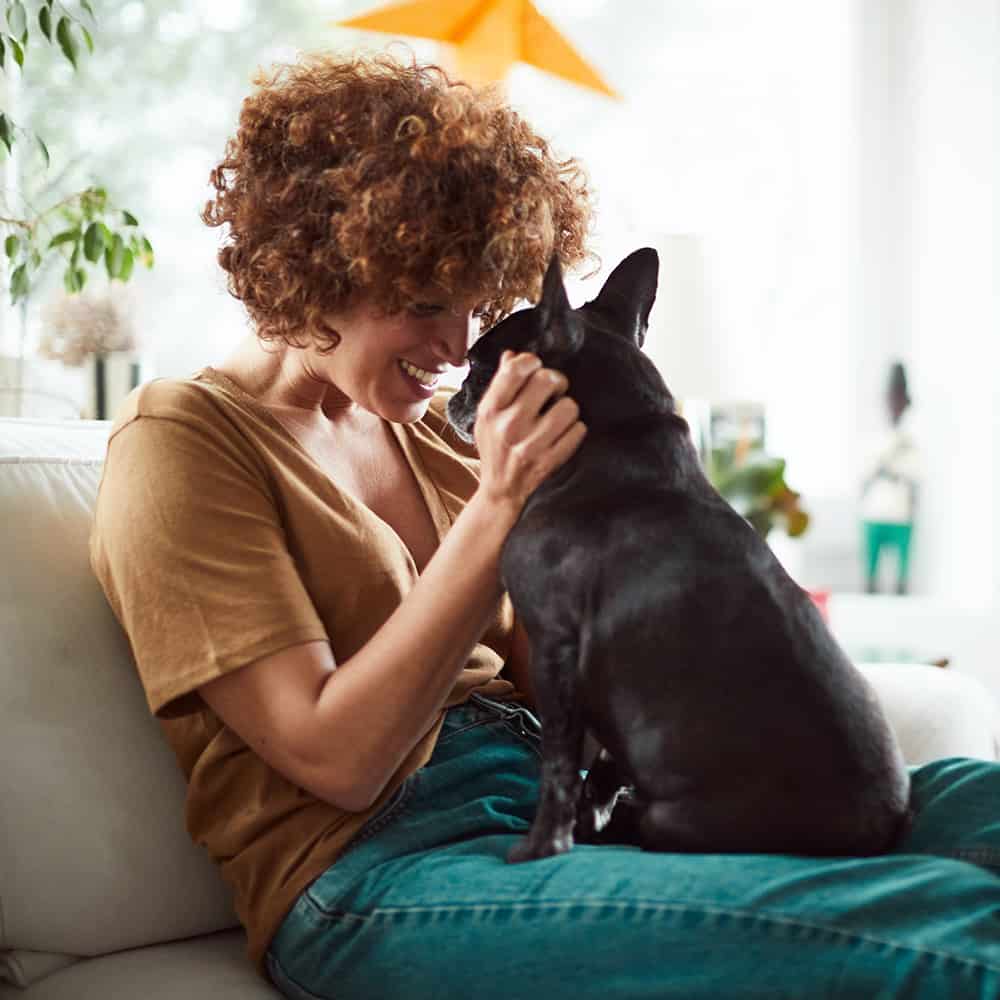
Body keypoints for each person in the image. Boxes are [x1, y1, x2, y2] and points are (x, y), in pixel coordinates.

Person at [90, 53, 1000, 999]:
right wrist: (502, 505)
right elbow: (337, 762)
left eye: (476, 302)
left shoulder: (435, 441)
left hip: (571, 808)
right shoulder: (184, 444)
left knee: (979, 802)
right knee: (944, 935)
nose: (455, 347)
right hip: (379, 872)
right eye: (421, 302)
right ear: (317, 261)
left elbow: (562, 669)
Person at [861, 361, 921, 594]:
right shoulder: (874, 437)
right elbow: (865, 473)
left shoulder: (912, 439)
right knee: (871, 575)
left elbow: (916, 474)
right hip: (874, 511)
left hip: (901, 513)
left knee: (901, 576)